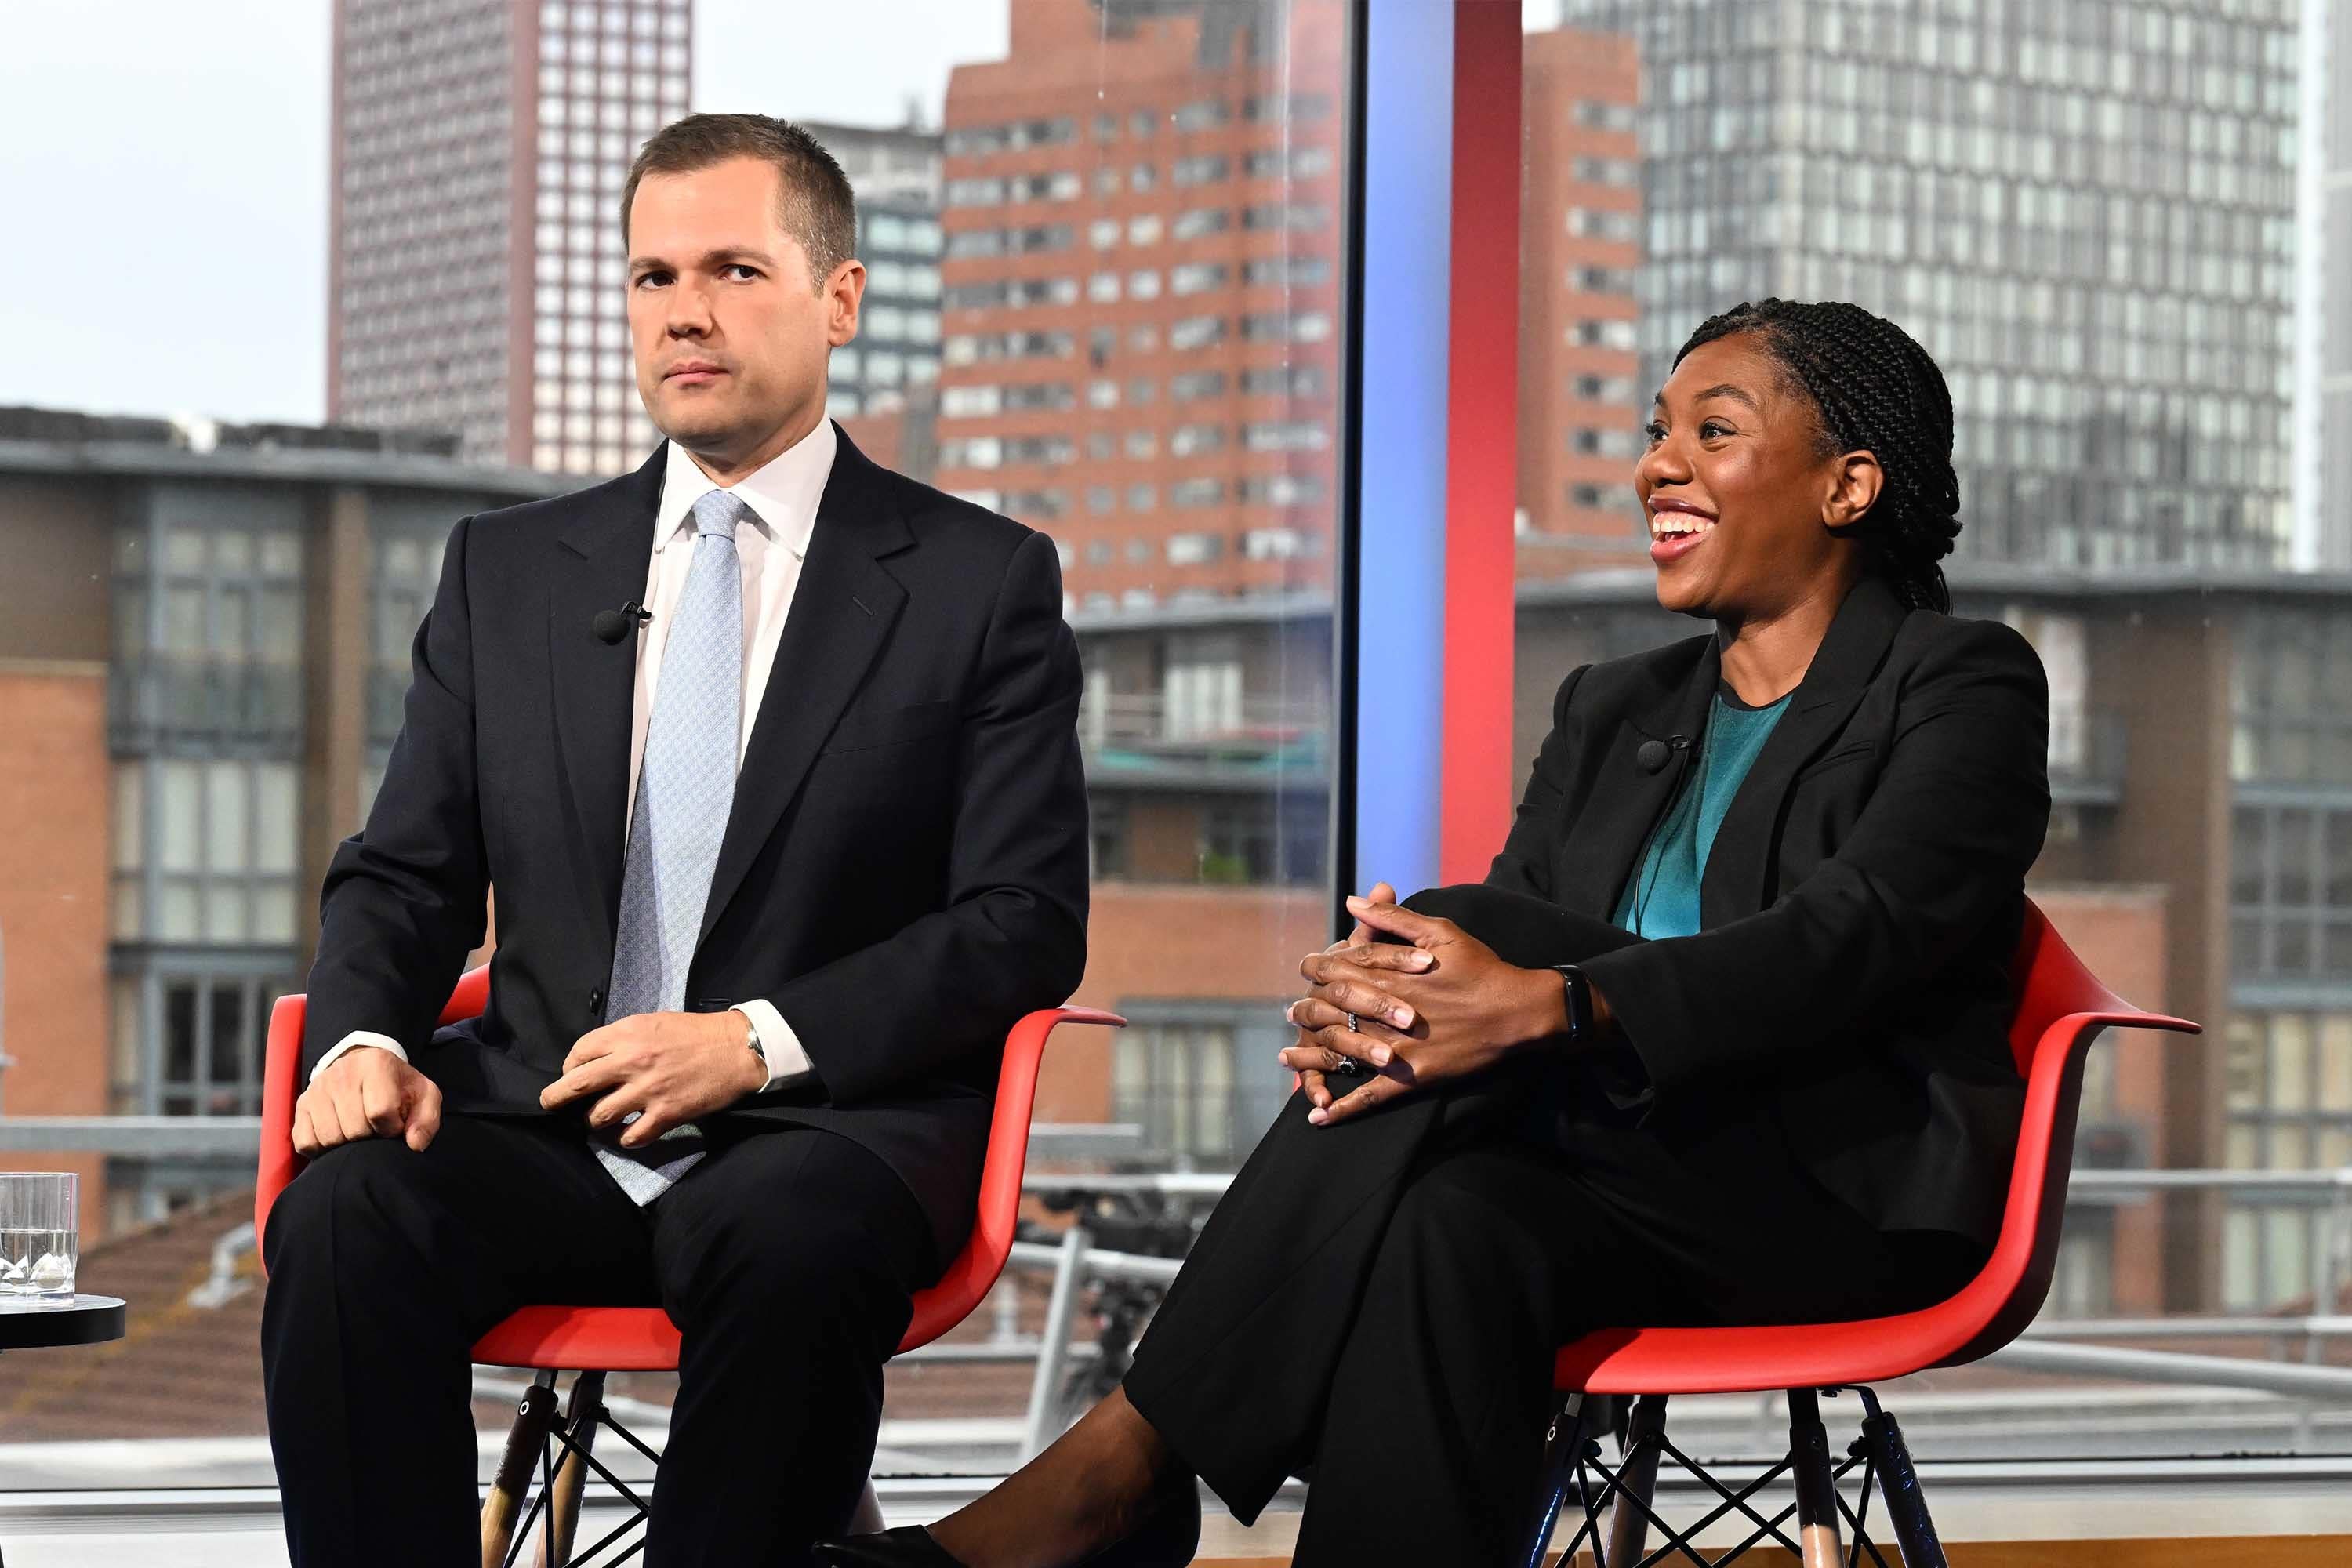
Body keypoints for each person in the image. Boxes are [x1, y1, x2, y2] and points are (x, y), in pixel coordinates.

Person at [818, 299, 2051, 1568]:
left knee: (1457, 932)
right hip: (1616, 1178)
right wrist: (1388, 1011)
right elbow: (1493, 964)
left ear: (1850, 485)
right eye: (1654, 430)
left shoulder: (1962, 682)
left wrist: (1550, 1006)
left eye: (1713, 430)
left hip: (1832, 1198)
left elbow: (1865, 934)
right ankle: (1130, 1478)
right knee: (1450, 1223)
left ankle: (1126, 1463)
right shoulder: (1613, 705)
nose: (1656, 465)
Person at [260, 114, 1089, 1566]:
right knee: (345, 1218)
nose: (683, 313)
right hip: (542, 1120)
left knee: (793, 1247)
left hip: (823, 1126)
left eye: (731, 270)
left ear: (840, 299)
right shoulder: (506, 573)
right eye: (651, 277)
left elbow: (1023, 917)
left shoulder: (979, 582)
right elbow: (406, 874)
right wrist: (360, 1044)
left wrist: (754, 1039)